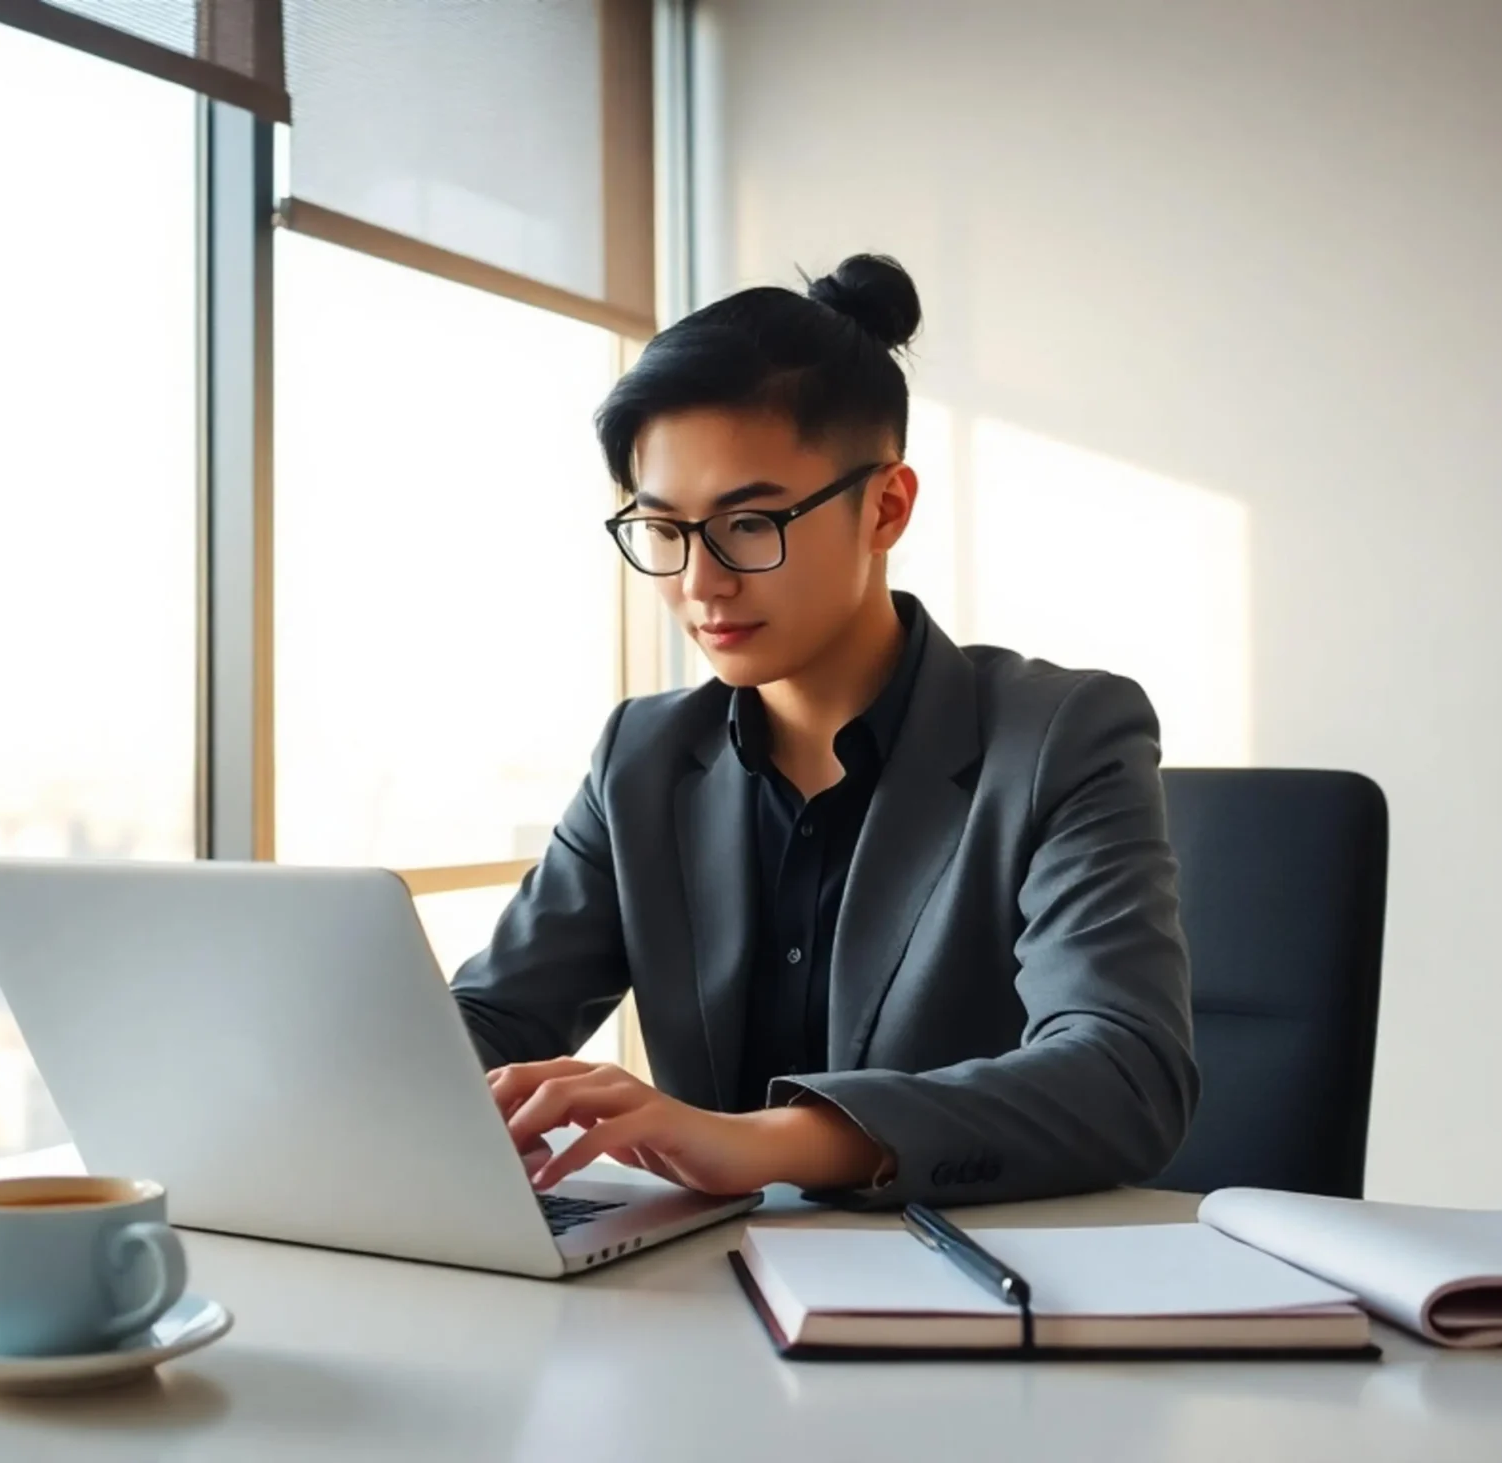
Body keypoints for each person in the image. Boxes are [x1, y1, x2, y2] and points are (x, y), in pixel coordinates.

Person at [453, 253, 1198, 1210]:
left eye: (749, 523)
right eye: (664, 528)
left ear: (885, 505)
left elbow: (1125, 1074)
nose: (699, 582)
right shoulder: (640, 758)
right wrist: (379, 1084)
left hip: (966, 1294)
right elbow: (497, 1011)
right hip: (701, 1293)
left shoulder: (1061, 735)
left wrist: (763, 1141)